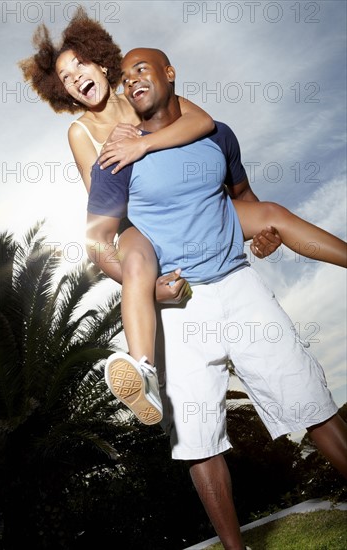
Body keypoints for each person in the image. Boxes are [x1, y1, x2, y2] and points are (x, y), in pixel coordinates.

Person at [86, 47, 347, 550]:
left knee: (314, 404)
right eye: (124, 76)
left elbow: (246, 200)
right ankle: (235, 548)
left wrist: (263, 235)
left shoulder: (215, 133)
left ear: (169, 73)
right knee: (198, 441)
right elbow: (99, 243)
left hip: (238, 283)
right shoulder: (115, 156)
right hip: (180, 305)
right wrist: (141, 282)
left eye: (142, 68)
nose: (132, 79)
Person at [19, 7, 284, 426]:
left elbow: (201, 121)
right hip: (135, 221)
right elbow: (105, 200)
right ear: (64, 93)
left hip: (188, 210)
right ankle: (143, 370)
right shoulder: (80, 132)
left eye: (80, 65)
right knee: (138, 257)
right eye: (66, 78)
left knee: (272, 216)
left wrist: (143, 143)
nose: (75, 78)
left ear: (103, 62)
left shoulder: (142, 91)